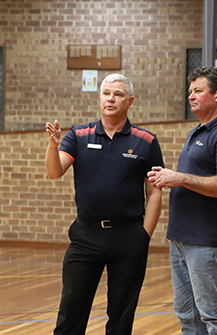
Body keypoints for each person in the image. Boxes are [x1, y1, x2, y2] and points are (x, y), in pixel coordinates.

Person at [45, 73, 164, 335]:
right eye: (106, 93)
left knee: (121, 319)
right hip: (86, 237)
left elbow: (154, 193)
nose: (111, 99)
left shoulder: (146, 141)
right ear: (99, 97)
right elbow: (55, 172)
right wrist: (53, 146)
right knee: (70, 315)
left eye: (118, 94)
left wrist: (144, 235)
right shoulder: (78, 135)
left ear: (130, 101)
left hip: (128, 238)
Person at [147, 66, 217, 335]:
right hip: (180, 239)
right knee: (187, 316)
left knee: (213, 316)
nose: (190, 96)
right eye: (189, 91)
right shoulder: (197, 132)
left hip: (206, 241)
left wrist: (179, 178)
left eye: (198, 91)